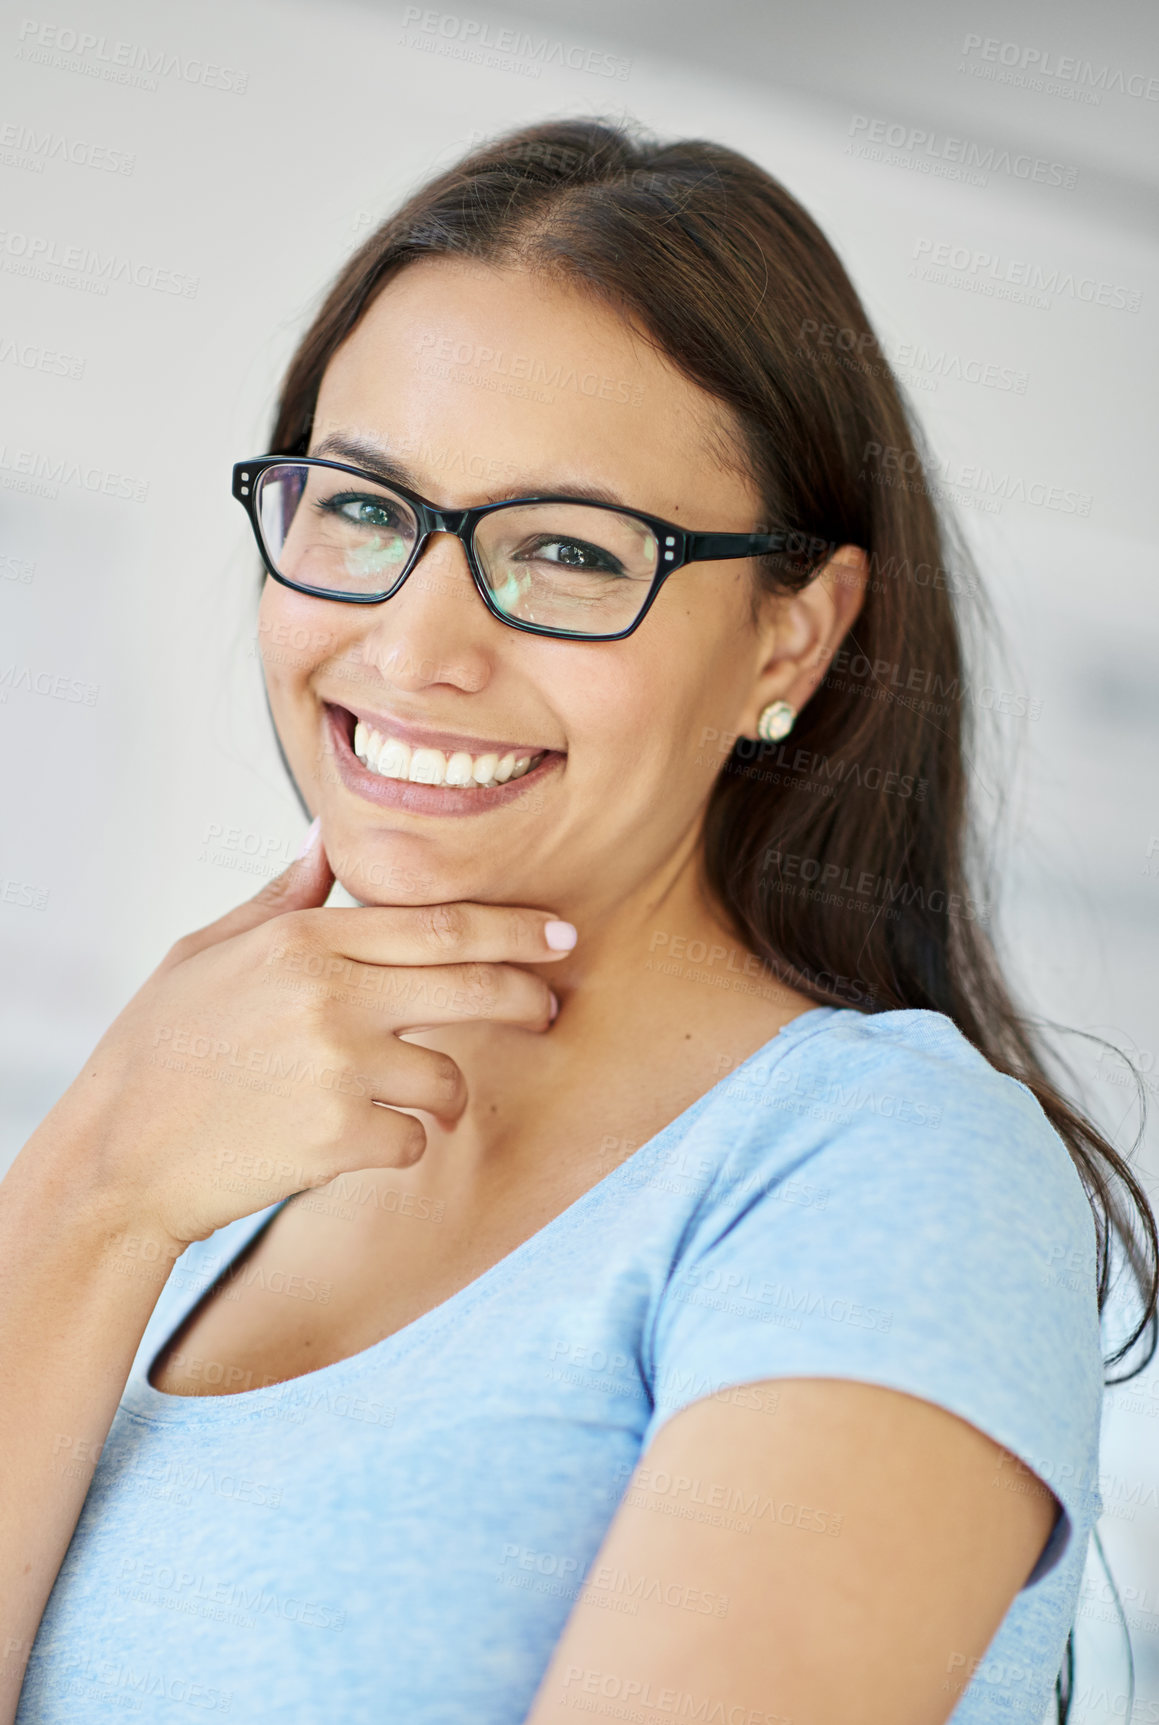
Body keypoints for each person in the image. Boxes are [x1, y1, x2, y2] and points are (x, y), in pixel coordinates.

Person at [2, 116, 1154, 1725]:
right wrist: (87, 1192)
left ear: (790, 638)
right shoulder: (189, 1168)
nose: (415, 646)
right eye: (364, 509)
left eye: (564, 550)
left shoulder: (878, 1160)